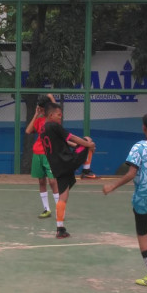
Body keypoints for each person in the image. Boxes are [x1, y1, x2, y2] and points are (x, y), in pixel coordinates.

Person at [103, 112, 147, 288]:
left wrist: (112, 186)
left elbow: (131, 173)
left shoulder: (138, 147)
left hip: (144, 196)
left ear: (144, 127)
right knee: (146, 213)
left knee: (143, 235)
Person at [41, 102, 96, 238]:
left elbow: (66, 142)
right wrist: (88, 144)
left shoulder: (43, 129)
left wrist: (78, 145)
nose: (60, 117)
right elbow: (71, 137)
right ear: (51, 115)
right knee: (87, 138)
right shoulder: (54, 125)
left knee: (63, 196)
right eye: (59, 115)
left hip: (57, 167)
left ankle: (60, 229)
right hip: (67, 161)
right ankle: (86, 171)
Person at [25, 94, 59, 218]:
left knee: (53, 181)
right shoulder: (39, 120)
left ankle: (59, 209)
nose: (41, 110)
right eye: (40, 108)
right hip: (37, 154)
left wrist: (51, 98)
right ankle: (46, 209)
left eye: (42, 108)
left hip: (49, 154)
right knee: (41, 181)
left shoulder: (53, 119)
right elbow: (28, 131)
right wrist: (36, 114)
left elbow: (57, 110)